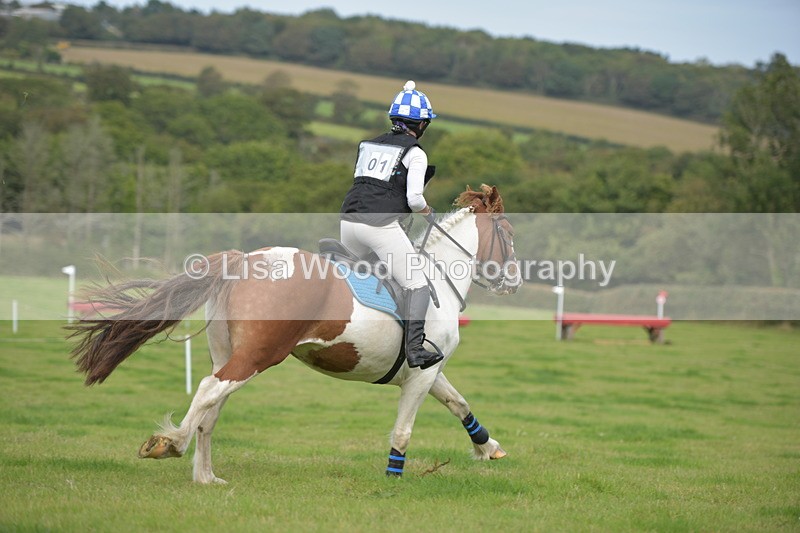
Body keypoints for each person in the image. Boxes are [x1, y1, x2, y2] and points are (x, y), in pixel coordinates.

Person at [340, 80, 443, 370]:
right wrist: (428, 212)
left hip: (348, 222)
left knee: (370, 274)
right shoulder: (416, 152)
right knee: (417, 283)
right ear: (422, 124)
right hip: (379, 226)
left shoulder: (368, 144)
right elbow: (413, 199)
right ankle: (415, 350)